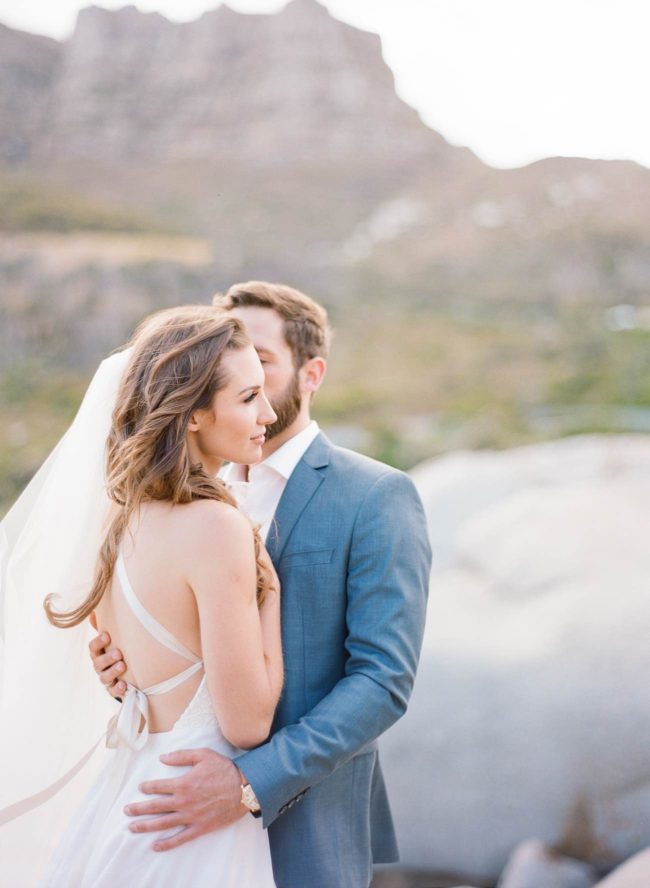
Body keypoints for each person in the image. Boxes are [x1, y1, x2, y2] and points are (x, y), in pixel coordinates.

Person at [91, 282, 433, 888]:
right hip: (175, 815)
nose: (256, 391)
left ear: (311, 373)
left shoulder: (375, 496)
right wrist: (127, 675)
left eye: (263, 364)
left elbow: (383, 680)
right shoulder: (170, 505)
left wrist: (250, 782)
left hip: (308, 829)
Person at [0, 305, 283, 886]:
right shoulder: (216, 527)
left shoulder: (121, 523)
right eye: (249, 397)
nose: (269, 413)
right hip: (190, 812)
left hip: (127, 794)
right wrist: (270, 595)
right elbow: (247, 723)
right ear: (196, 414)